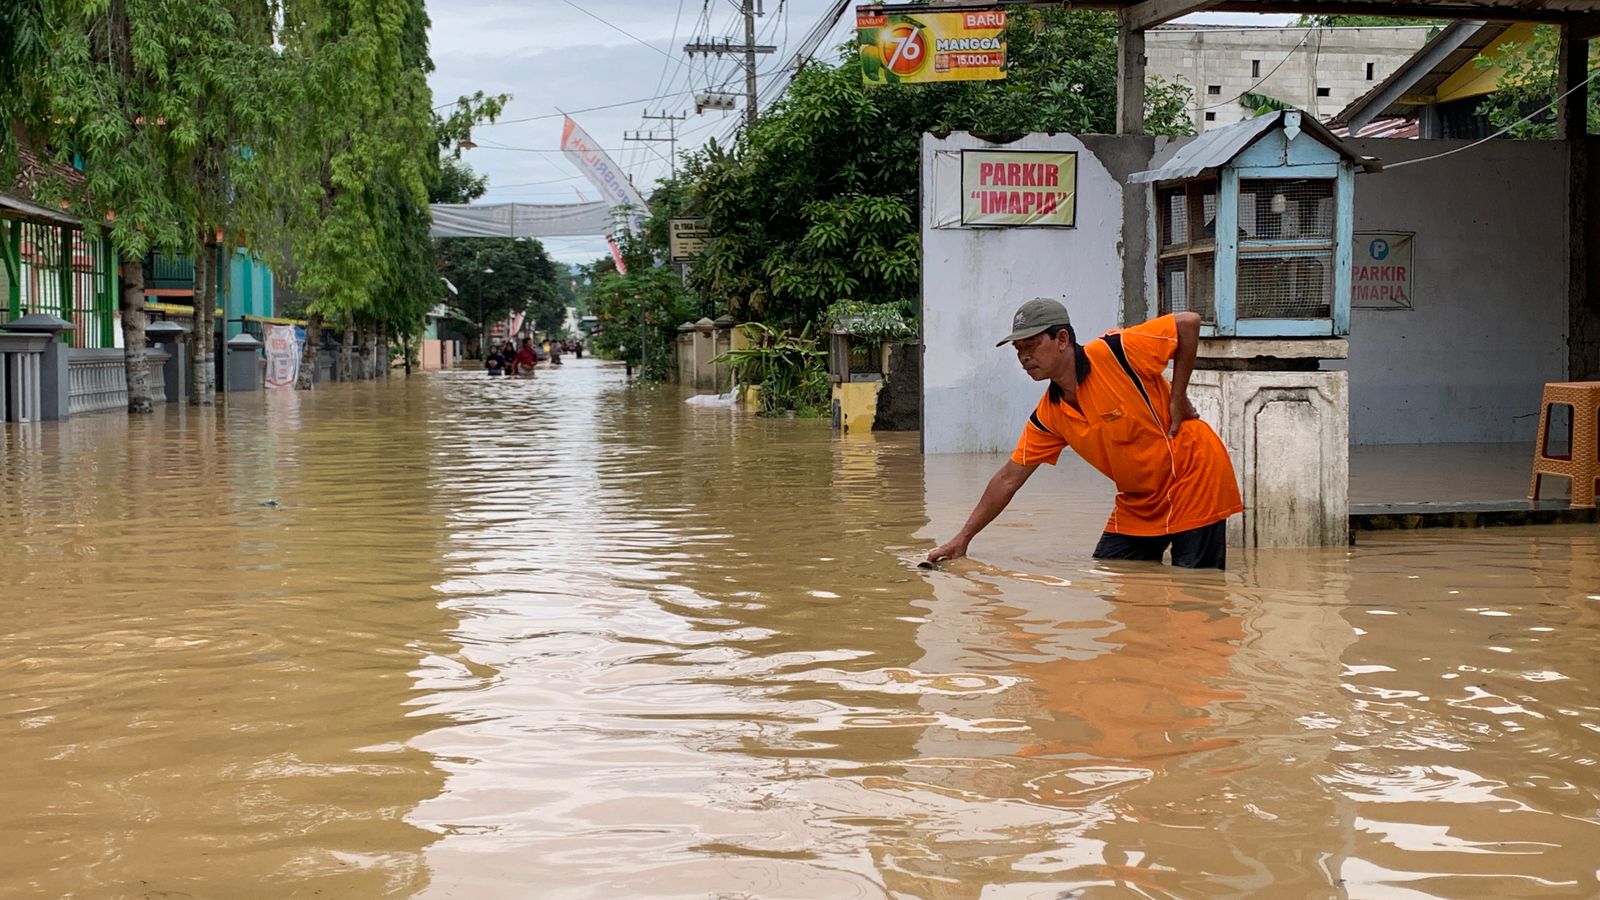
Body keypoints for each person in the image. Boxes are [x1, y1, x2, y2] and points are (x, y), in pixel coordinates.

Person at [927, 298, 1242, 570]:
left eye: (1032, 345)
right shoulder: (1049, 415)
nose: (1024, 357)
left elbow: (1188, 323)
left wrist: (1178, 396)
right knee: (1114, 577)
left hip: (1193, 478)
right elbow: (1009, 478)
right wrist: (963, 538)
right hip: (1140, 501)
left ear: (1062, 339)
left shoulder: (1118, 352)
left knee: (1195, 595)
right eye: (1018, 349)